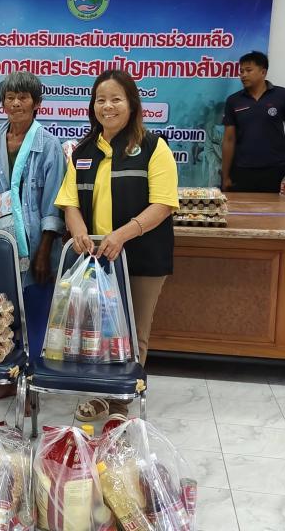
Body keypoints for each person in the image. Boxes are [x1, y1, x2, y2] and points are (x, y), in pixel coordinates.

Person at [54, 69, 178, 422]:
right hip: (95, 260)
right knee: (98, 331)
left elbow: (163, 203)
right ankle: (99, 393)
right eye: (100, 100)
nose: (107, 106)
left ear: (132, 104)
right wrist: (79, 231)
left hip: (141, 257)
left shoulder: (153, 147)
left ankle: (121, 398)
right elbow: (70, 203)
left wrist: (122, 235)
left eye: (116, 99)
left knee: (134, 332)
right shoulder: (83, 151)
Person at [0, 71, 66, 405]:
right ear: (2, 103)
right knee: (1, 316)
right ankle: (7, 379)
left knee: (36, 317)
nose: (15, 103)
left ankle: (32, 386)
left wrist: (44, 252)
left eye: (23, 97)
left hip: (38, 245)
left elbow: (53, 202)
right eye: (9, 97)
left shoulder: (49, 145)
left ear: (37, 103)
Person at [221, 51, 285, 192]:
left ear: (263, 72)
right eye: (241, 71)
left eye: (248, 70)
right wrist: (225, 176)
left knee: (277, 206)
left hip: (276, 170)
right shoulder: (233, 100)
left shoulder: (282, 95)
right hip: (242, 170)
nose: (243, 75)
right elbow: (229, 140)